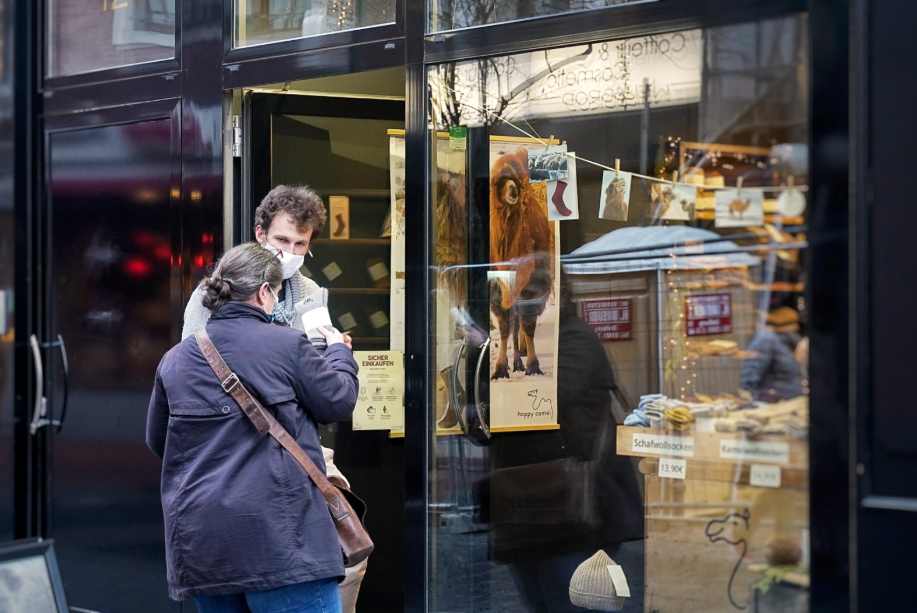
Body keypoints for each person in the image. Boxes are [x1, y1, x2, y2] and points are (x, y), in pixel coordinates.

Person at [181, 185, 367, 611]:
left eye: (301, 244)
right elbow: (193, 369)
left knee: (338, 557)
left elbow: (322, 385)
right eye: (283, 241)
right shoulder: (215, 292)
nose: (291, 251)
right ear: (260, 234)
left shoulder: (312, 293)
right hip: (233, 449)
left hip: (298, 449)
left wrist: (332, 352)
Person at [740, 306, 805, 402]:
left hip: (790, 400)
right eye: (794, 323)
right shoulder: (766, 340)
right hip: (773, 401)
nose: (797, 327)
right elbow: (751, 373)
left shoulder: (789, 340)